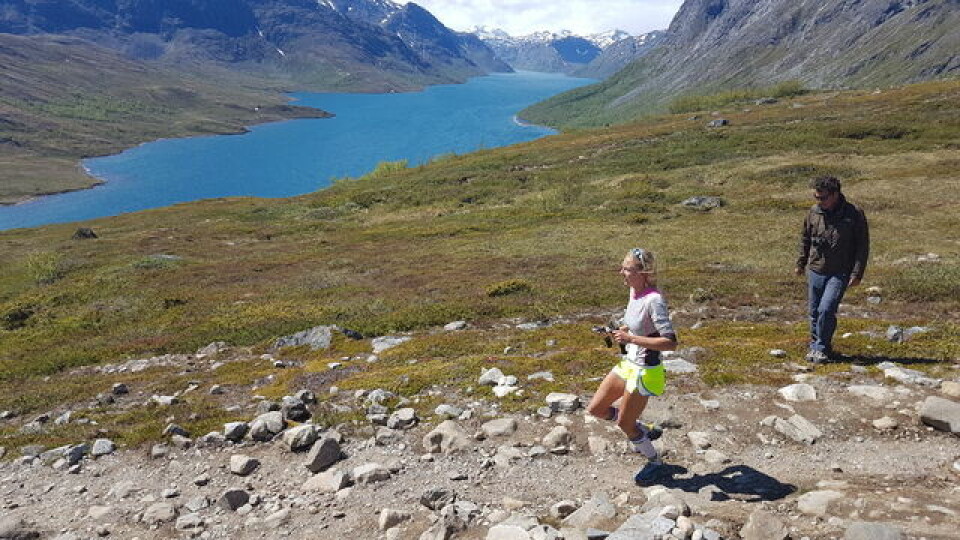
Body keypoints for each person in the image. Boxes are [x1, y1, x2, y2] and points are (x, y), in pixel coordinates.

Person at [586, 248, 678, 486]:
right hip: (629, 363)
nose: (621, 273)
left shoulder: (654, 300)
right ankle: (644, 428)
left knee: (624, 424)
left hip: (646, 371)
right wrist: (622, 331)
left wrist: (632, 339)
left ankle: (656, 463)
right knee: (596, 409)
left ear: (643, 272)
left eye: (627, 269)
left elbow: (670, 342)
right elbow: (637, 326)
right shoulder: (633, 291)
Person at [796, 176, 869, 363]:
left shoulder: (854, 214)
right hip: (816, 268)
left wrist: (857, 273)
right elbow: (805, 238)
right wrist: (800, 263)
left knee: (826, 309)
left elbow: (862, 246)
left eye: (823, 198)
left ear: (835, 194)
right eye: (816, 197)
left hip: (840, 271)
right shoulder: (813, 212)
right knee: (814, 311)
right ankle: (819, 346)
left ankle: (820, 347)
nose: (819, 202)